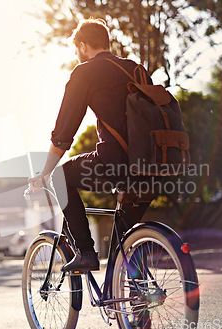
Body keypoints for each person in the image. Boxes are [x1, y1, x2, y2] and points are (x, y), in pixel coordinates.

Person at [28, 18, 155, 272]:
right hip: (153, 167)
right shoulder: (136, 69)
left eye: (76, 50)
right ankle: (139, 302)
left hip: (116, 163)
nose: (77, 55)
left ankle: (86, 252)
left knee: (62, 178)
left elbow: (64, 132)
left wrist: (45, 173)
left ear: (83, 46)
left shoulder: (84, 72)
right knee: (123, 247)